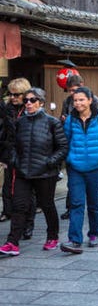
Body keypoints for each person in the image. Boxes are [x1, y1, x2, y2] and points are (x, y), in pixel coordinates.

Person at [0, 88, 68, 256]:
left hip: (45, 173)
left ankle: (52, 236)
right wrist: (15, 160)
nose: (28, 103)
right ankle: (12, 242)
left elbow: (63, 147)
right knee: (19, 206)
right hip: (23, 171)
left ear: (41, 102)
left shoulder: (52, 122)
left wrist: (49, 162)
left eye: (32, 100)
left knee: (47, 205)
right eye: (26, 100)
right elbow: (14, 145)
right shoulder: (20, 122)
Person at [61, 87, 98, 254]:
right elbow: (65, 142)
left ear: (90, 100)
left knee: (94, 203)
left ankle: (94, 233)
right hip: (75, 169)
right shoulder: (70, 120)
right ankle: (74, 240)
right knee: (76, 203)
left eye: (81, 100)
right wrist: (70, 158)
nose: (78, 103)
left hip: (96, 168)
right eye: (75, 100)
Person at [59, 74, 98, 221]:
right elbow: (64, 118)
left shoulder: (93, 99)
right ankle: (70, 208)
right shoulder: (67, 101)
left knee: (94, 187)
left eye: (75, 90)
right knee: (73, 184)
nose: (73, 94)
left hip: (93, 147)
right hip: (75, 148)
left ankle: (96, 203)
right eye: (70, 91)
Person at [1, 78, 36, 237]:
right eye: (11, 94)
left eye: (17, 95)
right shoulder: (7, 109)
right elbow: (4, 134)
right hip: (10, 154)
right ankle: (15, 220)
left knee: (28, 192)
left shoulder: (31, 108)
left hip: (29, 155)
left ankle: (28, 223)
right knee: (10, 189)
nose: (13, 97)